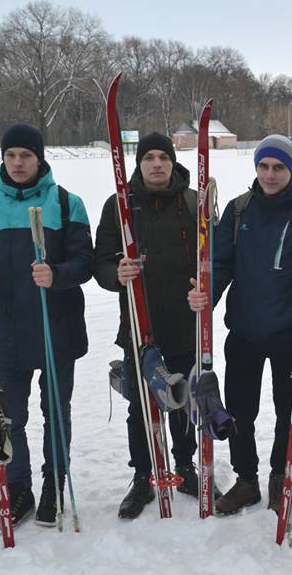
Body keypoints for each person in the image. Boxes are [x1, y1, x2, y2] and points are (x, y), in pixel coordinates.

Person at [0, 123, 93, 530]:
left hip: (57, 329)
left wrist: (58, 274)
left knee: (56, 413)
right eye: (11, 155)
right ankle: (19, 487)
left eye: (26, 156)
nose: (18, 163)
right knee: (8, 416)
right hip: (8, 330)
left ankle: (54, 483)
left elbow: (85, 262)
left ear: (40, 158)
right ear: (2, 158)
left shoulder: (68, 203)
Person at [188, 134, 292, 515]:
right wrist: (205, 297)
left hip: (288, 336)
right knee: (241, 410)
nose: (270, 174)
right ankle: (247, 479)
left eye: (279, 167)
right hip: (243, 331)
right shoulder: (239, 210)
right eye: (263, 166)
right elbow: (221, 264)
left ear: (291, 170)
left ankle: (280, 474)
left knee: (285, 410)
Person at [94, 132, 202, 519]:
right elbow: (101, 261)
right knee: (140, 406)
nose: (157, 164)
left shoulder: (192, 203)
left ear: (173, 163)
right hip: (139, 326)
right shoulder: (120, 206)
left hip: (185, 323)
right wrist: (115, 273)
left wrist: (206, 293)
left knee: (186, 399)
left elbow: (212, 258)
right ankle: (143, 475)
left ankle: (186, 466)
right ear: (139, 164)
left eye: (163, 157)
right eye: (149, 158)